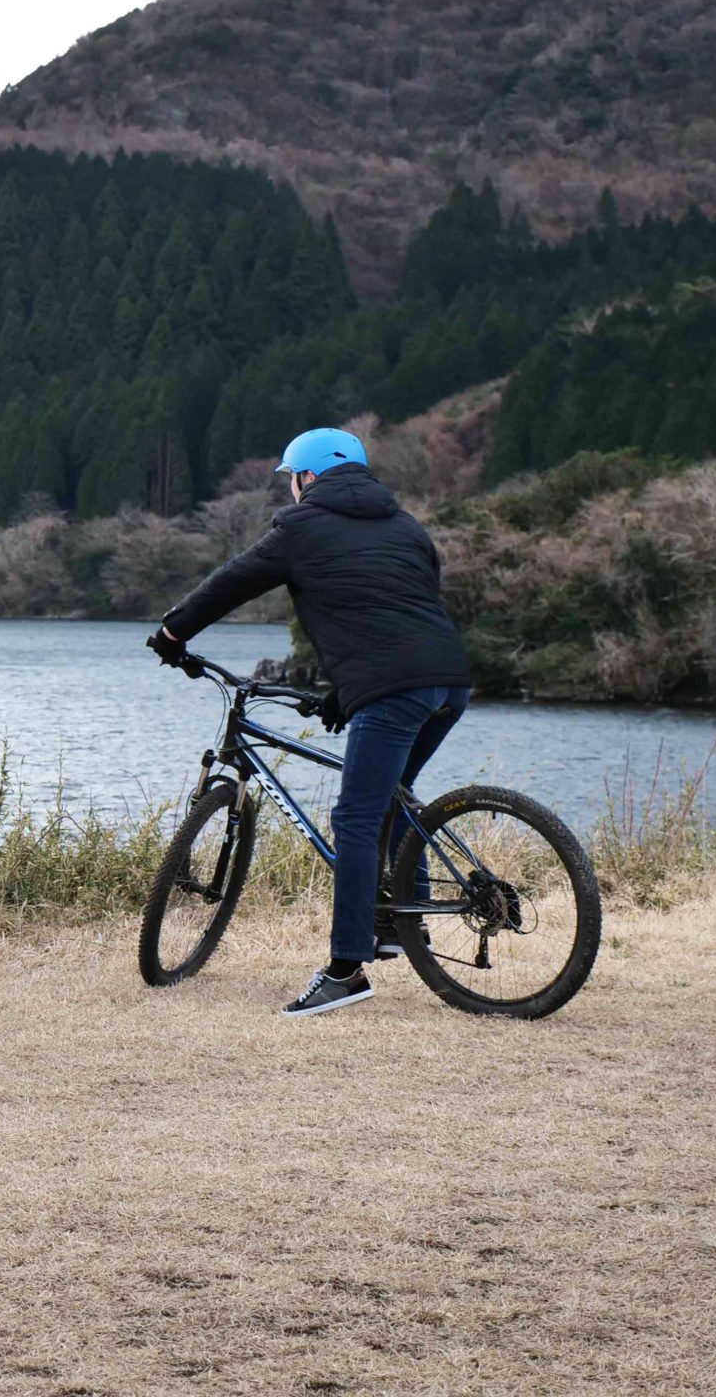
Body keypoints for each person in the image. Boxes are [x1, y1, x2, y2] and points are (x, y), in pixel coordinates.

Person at [148, 426, 472, 1018]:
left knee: (354, 815)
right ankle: (407, 925)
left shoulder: (300, 528)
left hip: (394, 688)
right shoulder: (406, 526)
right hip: (450, 680)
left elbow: (232, 582)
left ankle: (346, 971)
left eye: (291, 478)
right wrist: (345, 694)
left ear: (307, 477)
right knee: (393, 796)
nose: (292, 489)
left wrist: (174, 632)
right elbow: (393, 611)